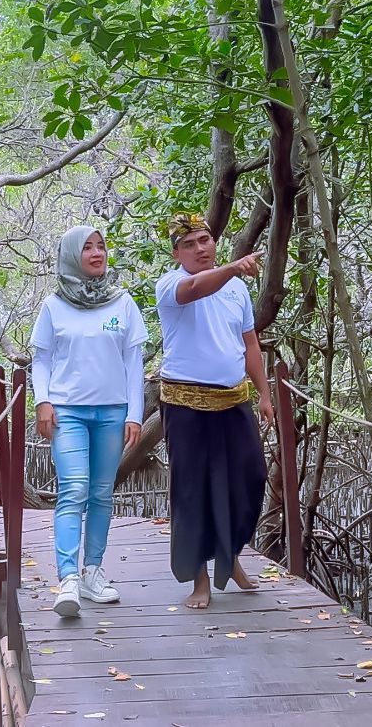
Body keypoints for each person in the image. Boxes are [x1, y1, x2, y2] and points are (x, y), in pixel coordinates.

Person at [154, 212, 272, 609]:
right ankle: (199, 579)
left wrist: (266, 395)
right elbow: (193, 290)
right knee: (192, 491)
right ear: (176, 253)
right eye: (189, 244)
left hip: (234, 400)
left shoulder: (236, 290)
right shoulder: (171, 284)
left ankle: (230, 556)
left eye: (205, 240)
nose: (200, 249)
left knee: (251, 476)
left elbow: (250, 344)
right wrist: (233, 267)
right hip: (185, 404)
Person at [31, 225, 146, 619]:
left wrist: (135, 414)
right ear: (71, 255)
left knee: (100, 492)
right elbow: (41, 359)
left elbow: (134, 361)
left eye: (101, 247)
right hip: (68, 411)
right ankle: (67, 579)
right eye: (88, 248)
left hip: (112, 411)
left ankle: (93, 572)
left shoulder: (122, 302)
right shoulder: (54, 305)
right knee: (74, 488)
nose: (97, 254)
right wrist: (42, 401)